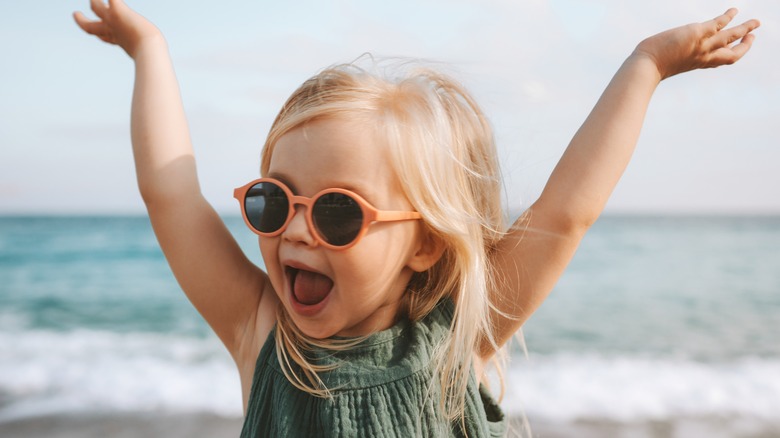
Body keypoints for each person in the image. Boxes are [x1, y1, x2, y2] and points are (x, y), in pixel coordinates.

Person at [74, 1, 759, 436]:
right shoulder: (264, 339)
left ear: (426, 243)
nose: (295, 231)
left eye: (339, 213)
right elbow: (172, 197)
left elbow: (565, 212)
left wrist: (647, 65)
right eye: (273, 201)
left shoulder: (455, 340)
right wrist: (150, 51)